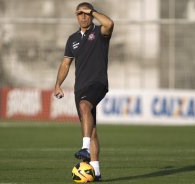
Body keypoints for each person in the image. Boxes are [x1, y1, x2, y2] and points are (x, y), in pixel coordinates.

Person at [54, 2, 114, 182]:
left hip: (98, 83)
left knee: (84, 105)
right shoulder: (72, 39)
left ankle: (85, 149)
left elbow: (109, 24)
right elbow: (66, 63)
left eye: (86, 13)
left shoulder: (99, 33)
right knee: (92, 129)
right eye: (80, 13)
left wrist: (93, 11)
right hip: (80, 87)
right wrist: (58, 84)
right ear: (76, 16)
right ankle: (96, 172)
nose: (83, 16)